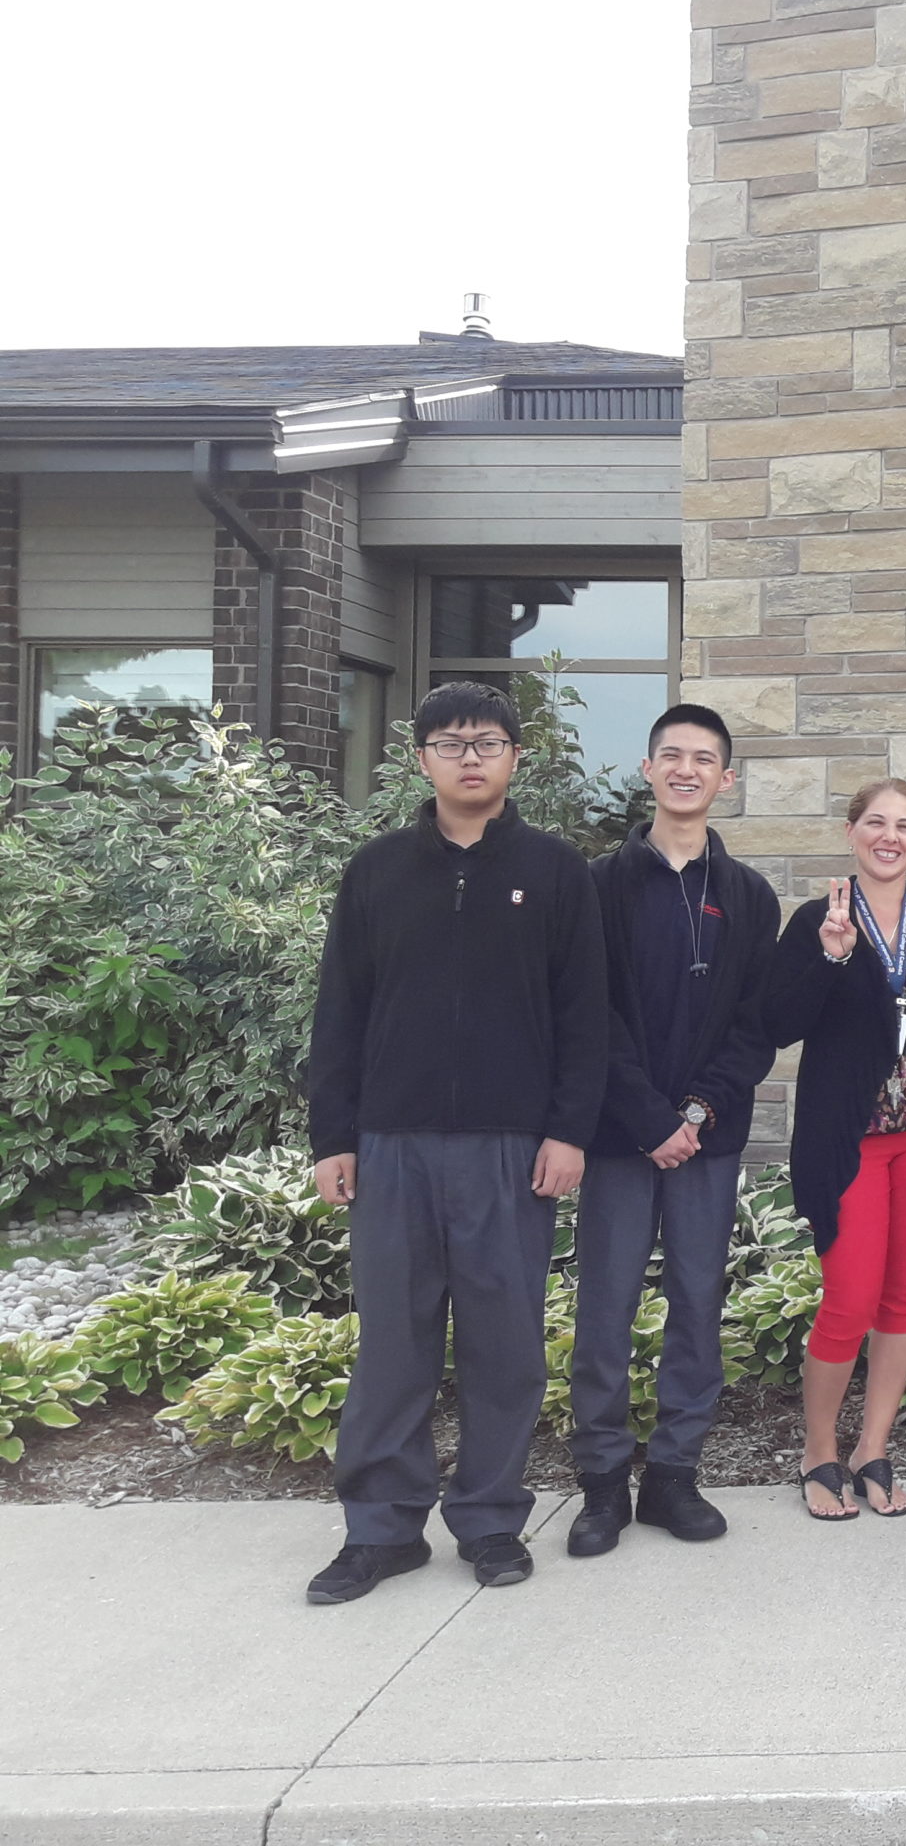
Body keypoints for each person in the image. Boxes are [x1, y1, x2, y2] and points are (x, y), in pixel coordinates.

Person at [305, 682, 608, 1604]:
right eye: (449, 742)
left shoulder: (557, 872)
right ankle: (382, 1529)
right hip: (392, 1143)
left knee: (502, 1342)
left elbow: (585, 1018)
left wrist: (568, 1132)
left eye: (487, 741)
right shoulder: (378, 870)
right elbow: (340, 1013)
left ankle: (488, 1520)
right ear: (422, 758)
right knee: (393, 1342)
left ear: (516, 757)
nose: (469, 756)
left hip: (510, 1150)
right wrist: (334, 1134)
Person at [564, 704, 777, 1557]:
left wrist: (693, 1115)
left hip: (705, 1142)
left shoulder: (749, 897)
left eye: (706, 759)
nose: (688, 770)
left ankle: (675, 1475)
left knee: (697, 1302)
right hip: (620, 1138)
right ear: (648, 770)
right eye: (672, 756)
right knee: (605, 1307)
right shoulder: (597, 885)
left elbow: (756, 1025)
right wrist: (648, 1117)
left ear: (726, 780)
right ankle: (602, 1484)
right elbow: (587, 1014)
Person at [764, 779, 906, 1520]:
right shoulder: (815, 920)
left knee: (903, 1295)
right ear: (852, 831)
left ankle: (874, 1449)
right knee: (849, 1299)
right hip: (847, 1139)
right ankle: (819, 1450)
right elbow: (777, 1025)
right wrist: (831, 959)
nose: (889, 837)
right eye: (875, 823)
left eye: (905, 827)